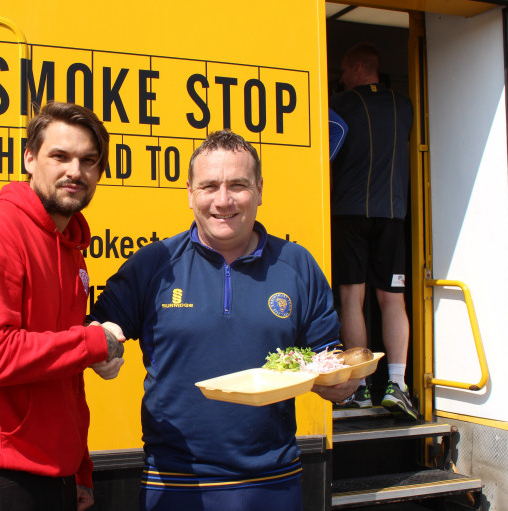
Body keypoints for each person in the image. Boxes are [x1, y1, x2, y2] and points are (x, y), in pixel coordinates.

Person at [88, 130, 357, 510]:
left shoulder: (298, 266)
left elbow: (328, 359)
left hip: (274, 481)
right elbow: (102, 328)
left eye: (238, 186)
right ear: (190, 193)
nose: (223, 200)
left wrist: (342, 383)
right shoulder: (154, 264)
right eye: (209, 186)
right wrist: (105, 345)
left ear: (259, 191)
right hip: (174, 483)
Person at [0, 101, 126, 511]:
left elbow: (64, 378)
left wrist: (79, 469)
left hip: (51, 473)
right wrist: (92, 343)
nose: (75, 170)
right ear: (30, 159)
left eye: (89, 160)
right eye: (60, 156)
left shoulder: (70, 245)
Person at [329, 42, 417, 420]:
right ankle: (397, 385)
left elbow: (327, 151)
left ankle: (362, 386)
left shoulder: (342, 106)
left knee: (352, 297)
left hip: (349, 211)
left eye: (346, 71)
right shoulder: (405, 105)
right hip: (393, 213)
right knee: (392, 300)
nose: (343, 79)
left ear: (358, 69)